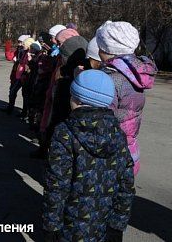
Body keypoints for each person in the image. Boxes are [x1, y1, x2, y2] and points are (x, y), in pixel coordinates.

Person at [43, 69, 135, 242]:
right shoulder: (118, 133)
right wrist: (118, 224)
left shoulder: (65, 133)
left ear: (76, 99)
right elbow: (126, 184)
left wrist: (51, 225)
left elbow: (56, 184)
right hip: (104, 224)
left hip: (70, 226)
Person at [96, 21, 157, 175]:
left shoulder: (110, 78)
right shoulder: (135, 74)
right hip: (129, 146)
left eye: (100, 47)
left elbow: (101, 119)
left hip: (109, 150)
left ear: (108, 49)